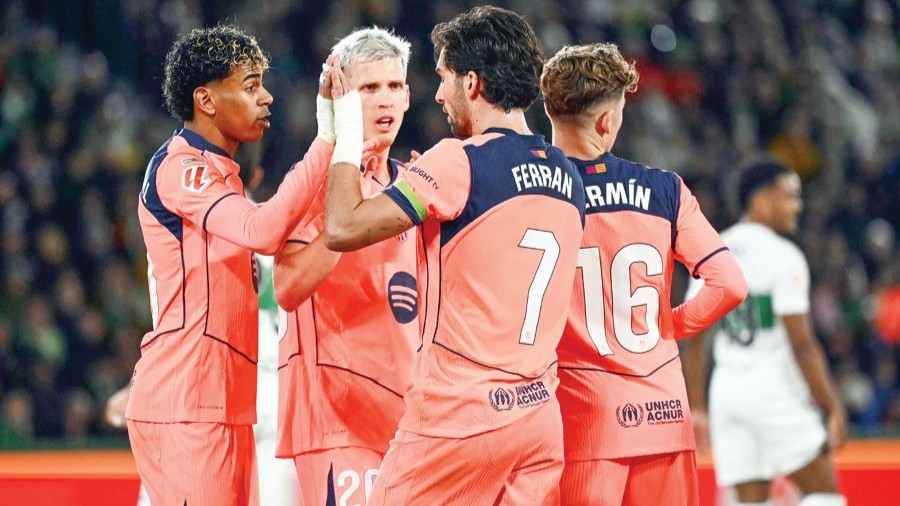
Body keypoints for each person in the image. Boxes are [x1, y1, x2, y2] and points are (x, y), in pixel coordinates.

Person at [322, 6, 585, 505]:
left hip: (459, 415)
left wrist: (344, 129)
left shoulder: (458, 160)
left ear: (472, 82)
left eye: (444, 78)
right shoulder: (566, 174)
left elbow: (341, 227)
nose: (438, 95)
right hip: (537, 420)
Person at [125, 24, 367, 506]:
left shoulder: (223, 175)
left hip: (226, 405)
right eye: (251, 86)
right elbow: (263, 230)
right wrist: (328, 137)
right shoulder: (181, 167)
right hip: (185, 404)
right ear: (206, 100)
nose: (267, 97)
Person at [540, 42, 748, 506]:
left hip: (584, 425)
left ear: (550, 111)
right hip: (664, 416)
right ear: (606, 121)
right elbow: (730, 285)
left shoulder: (533, 194)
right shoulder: (665, 189)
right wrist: (669, 325)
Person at [272, 27, 419, 506]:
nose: (385, 99)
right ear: (342, 100)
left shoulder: (417, 185)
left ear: (408, 96)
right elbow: (288, 287)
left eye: (394, 86)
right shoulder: (315, 183)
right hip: (340, 421)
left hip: (411, 421)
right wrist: (345, 213)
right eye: (369, 88)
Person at [683, 159, 848, 506]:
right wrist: (832, 404)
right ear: (760, 199)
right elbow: (802, 345)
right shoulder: (782, 255)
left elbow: (693, 338)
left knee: (750, 502)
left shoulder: (713, 248)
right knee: (825, 495)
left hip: (727, 392)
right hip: (773, 389)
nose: (797, 206)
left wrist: (697, 405)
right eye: (789, 195)